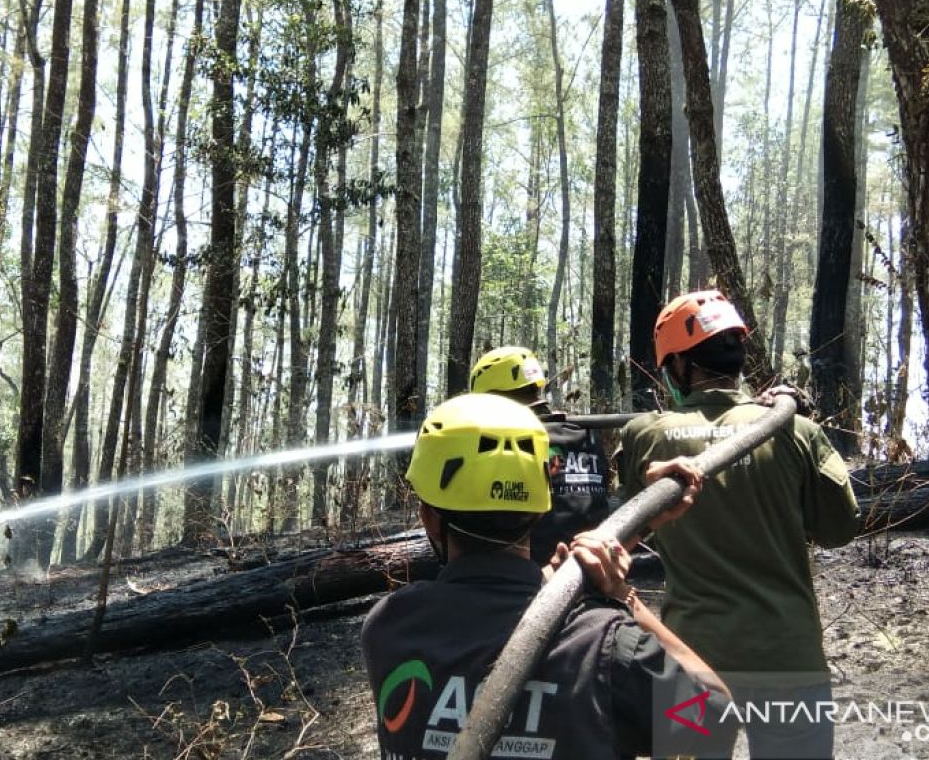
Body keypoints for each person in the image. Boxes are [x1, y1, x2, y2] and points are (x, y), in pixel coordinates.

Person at [362, 392, 734, 760]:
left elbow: (488, 624)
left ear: (429, 518)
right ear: (540, 510)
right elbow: (717, 721)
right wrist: (623, 599)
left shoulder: (389, 626)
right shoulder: (607, 648)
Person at [618, 290, 862, 759]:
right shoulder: (792, 429)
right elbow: (839, 529)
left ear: (678, 367)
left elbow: (632, 523)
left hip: (691, 662)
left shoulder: (644, 435)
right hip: (790, 659)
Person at [469, 346, 611, 564]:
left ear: (492, 398)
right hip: (600, 566)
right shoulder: (585, 432)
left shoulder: (513, 441)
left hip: (538, 581)